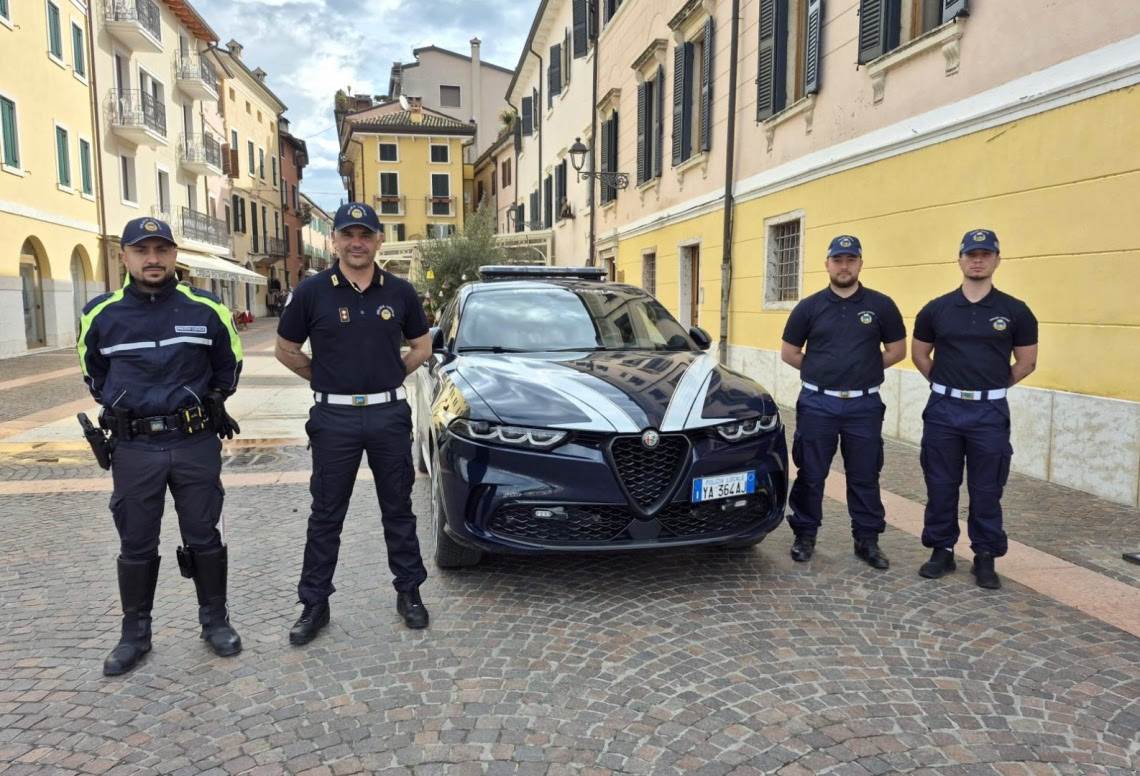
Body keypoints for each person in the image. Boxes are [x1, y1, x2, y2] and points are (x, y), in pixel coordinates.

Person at [77, 217, 244, 676]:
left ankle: (215, 621)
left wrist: (210, 401)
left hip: (193, 442)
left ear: (174, 255)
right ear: (124, 257)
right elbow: (93, 374)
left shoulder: (206, 308)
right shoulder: (100, 314)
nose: (152, 259)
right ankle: (135, 634)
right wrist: (127, 407)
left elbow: (228, 364)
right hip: (133, 448)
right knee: (135, 540)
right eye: (142, 250)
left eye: (161, 250)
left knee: (204, 534)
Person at [275, 202, 434, 643]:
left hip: (387, 414)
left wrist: (390, 374)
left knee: (398, 510)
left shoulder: (400, 292)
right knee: (326, 513)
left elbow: (422, 347)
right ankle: (314, 604)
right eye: (348, 234)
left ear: (379, 240)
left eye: (365, 234)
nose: (357, 242)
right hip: (334, 417)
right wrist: (323, 379)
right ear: (335, 240)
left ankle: (410, 593)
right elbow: (286, 350)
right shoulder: (311, 291)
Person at [912, 229, 1038, 589]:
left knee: (987, 488)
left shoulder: (1015, 311)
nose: (977, 260)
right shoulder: (936, 309)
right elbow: (921, 354)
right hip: (944, 409)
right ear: (960, 259)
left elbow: (1026, 362)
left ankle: (985, 556)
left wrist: (991, 388)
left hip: (989, 413)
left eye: (985, 254)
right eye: (971, 254)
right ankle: (942, 550)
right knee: (940, 483)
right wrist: (949, 384)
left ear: (997, 259)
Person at [781, 235, 907, 569]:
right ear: (827, 264)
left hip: (863, 407)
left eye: (851, 260)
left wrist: (862, 368)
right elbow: (789, 352)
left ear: (860, 264)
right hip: (817, 403)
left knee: (865, 474)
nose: (844, 266)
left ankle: (867, 540)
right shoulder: (809, 307)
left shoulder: (881, 306)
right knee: (811, 472)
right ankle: (805, 534)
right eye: (838, 260)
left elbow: (897, 350)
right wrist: (823, 371)